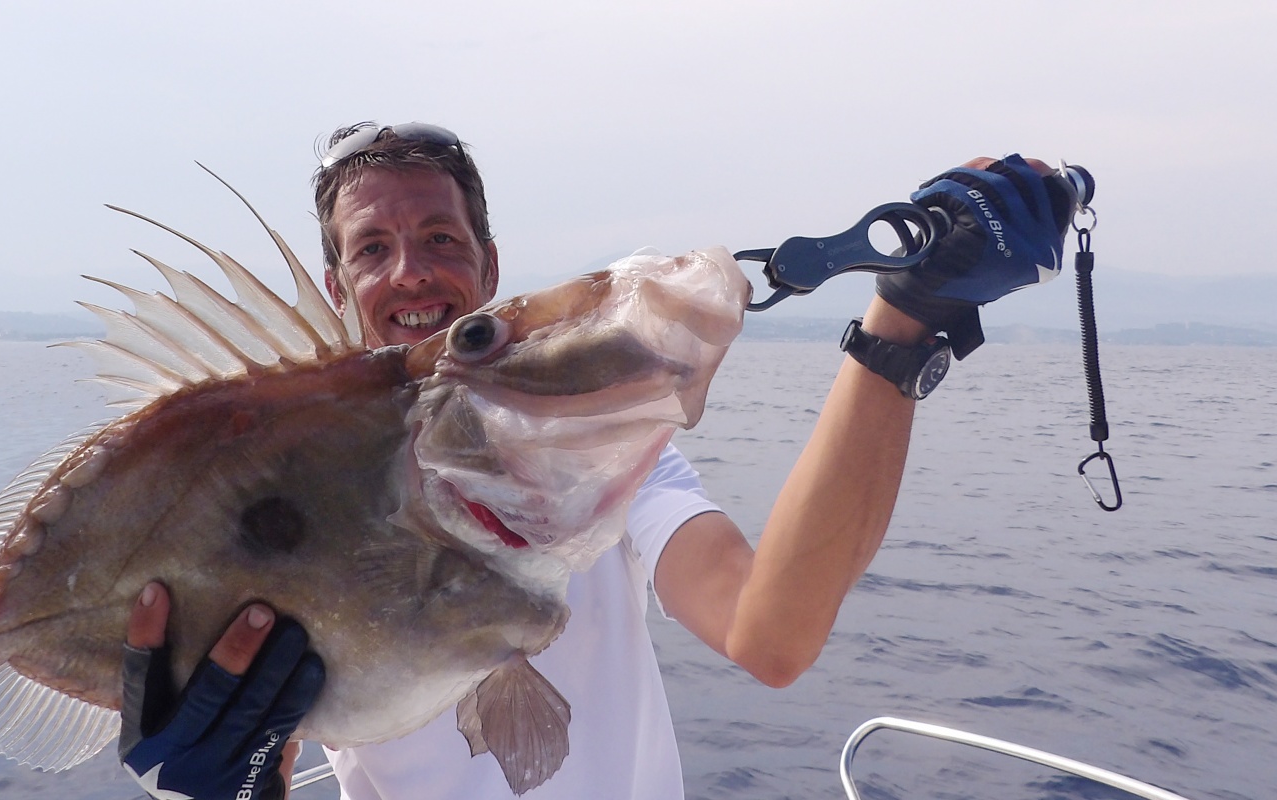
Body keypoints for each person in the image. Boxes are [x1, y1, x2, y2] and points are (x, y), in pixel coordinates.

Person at [115, 122, 1077, 799]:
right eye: (374, 249)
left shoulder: (596, 457)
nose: (411, 272)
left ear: (489, 267)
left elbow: (769, 632)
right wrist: (224, 791)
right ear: (338, 287)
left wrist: (901, 324)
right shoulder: (287, 493)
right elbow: (249, 740)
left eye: (439, 238)